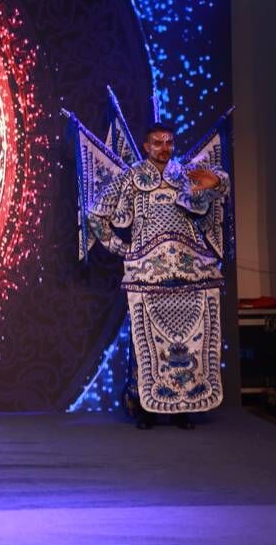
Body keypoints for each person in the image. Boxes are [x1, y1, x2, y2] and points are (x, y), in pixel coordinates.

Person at [88, 123, 229, 430]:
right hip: (147, 272)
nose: (164, 148)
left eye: (168, 142)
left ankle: (183, 408)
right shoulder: (131, 177)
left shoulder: (184, 174)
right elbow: (95, 213)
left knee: (189, 341)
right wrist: (124, 250)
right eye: (157, 142)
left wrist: (215, 181)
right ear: (146, 145)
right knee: (147, 342)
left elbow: (219, 186)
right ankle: (146, 409)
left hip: (190, 271)